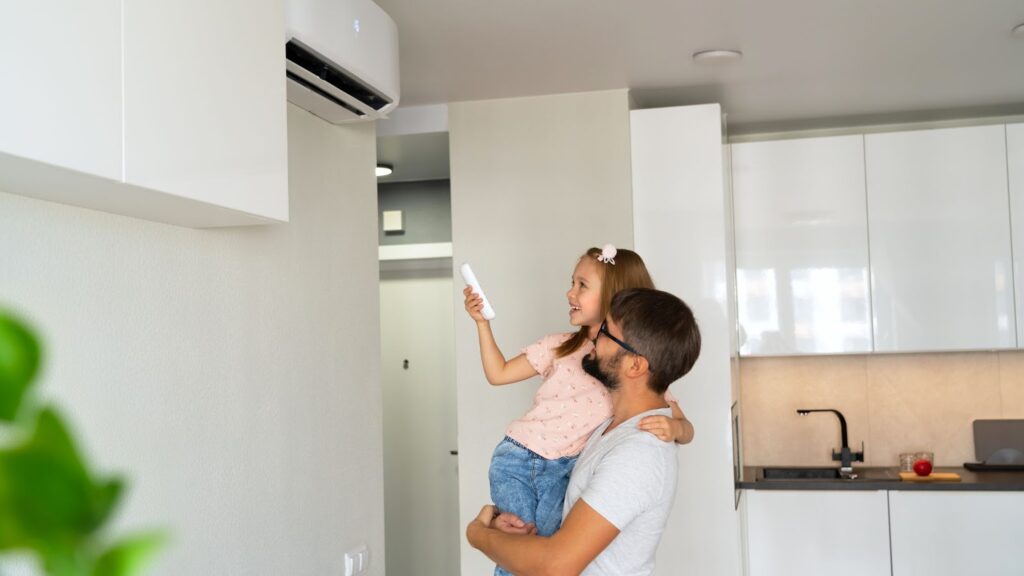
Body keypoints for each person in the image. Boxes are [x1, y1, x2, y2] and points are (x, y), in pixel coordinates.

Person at [463, 246, 694, 576]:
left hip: (558, 466)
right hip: (523, 455)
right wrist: (482, 324)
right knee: (522, 542)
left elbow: (552, 564)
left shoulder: (639, 448)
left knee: (525, 550)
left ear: (636, 365)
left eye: (607, 334)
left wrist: (479, 534)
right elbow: (498, 373)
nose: (595, 343)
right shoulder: (607, 429)